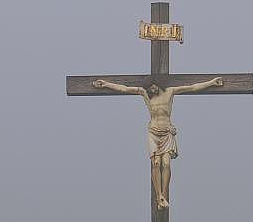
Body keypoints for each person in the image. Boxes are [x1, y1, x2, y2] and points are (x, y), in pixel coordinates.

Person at [93, 77, 224, 208]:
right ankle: (159, 196)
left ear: (157, 84)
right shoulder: (146, 95)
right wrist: (106, 84)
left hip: (167, 132)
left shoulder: (170, 92)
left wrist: (211, 82)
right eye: (150, 89)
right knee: (156, 163)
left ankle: (164, 195)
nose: (152, 90)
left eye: (153, 87)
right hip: (153, 133)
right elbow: (125, 89)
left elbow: (192, 87)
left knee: (166, 164)